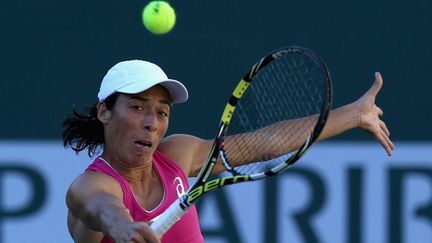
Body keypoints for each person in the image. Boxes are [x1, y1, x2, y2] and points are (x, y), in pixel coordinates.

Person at [63, 59, 394, 243]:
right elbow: (102, 208)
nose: (151, 122)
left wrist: (353, 114)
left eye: (162, 112)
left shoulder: (178, 154)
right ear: (104, 112)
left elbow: (265, 144)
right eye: (136, 107)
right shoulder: (90, 187)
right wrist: (123, 228)